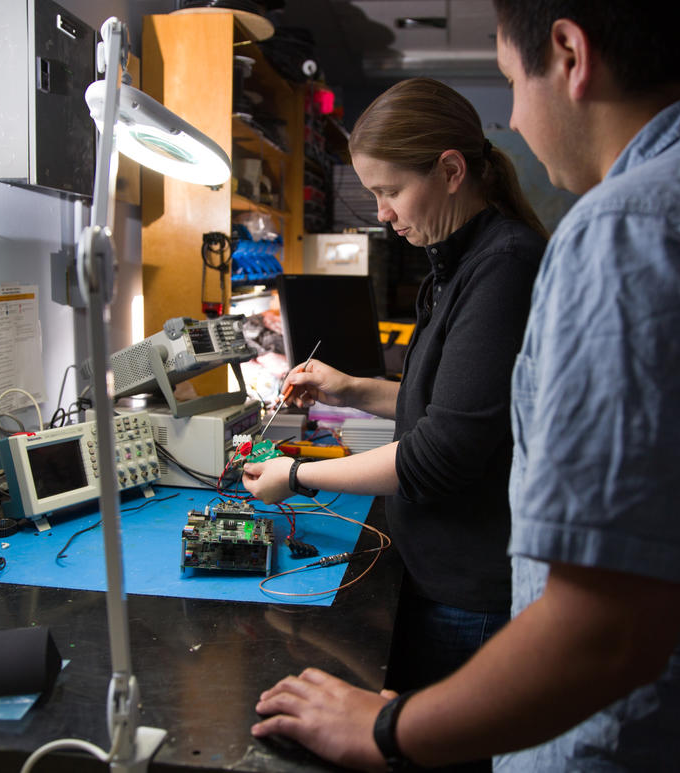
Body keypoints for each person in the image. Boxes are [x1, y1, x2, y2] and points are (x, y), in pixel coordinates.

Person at [249, 2, 680, 771]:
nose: (517, 123)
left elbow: (603, 629)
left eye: (510, 82)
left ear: (568, 52)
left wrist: (387, 729)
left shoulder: (634, 231)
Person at [241, 76, 548, 740]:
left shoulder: (504, 271)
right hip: (439, 575)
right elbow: (445, 404)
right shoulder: (457, 261)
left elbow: (440, 453)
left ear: (451, 170)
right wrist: (349, 387)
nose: (380, 213)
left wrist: (295, 476)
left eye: (389, 191)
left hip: (473, 595)